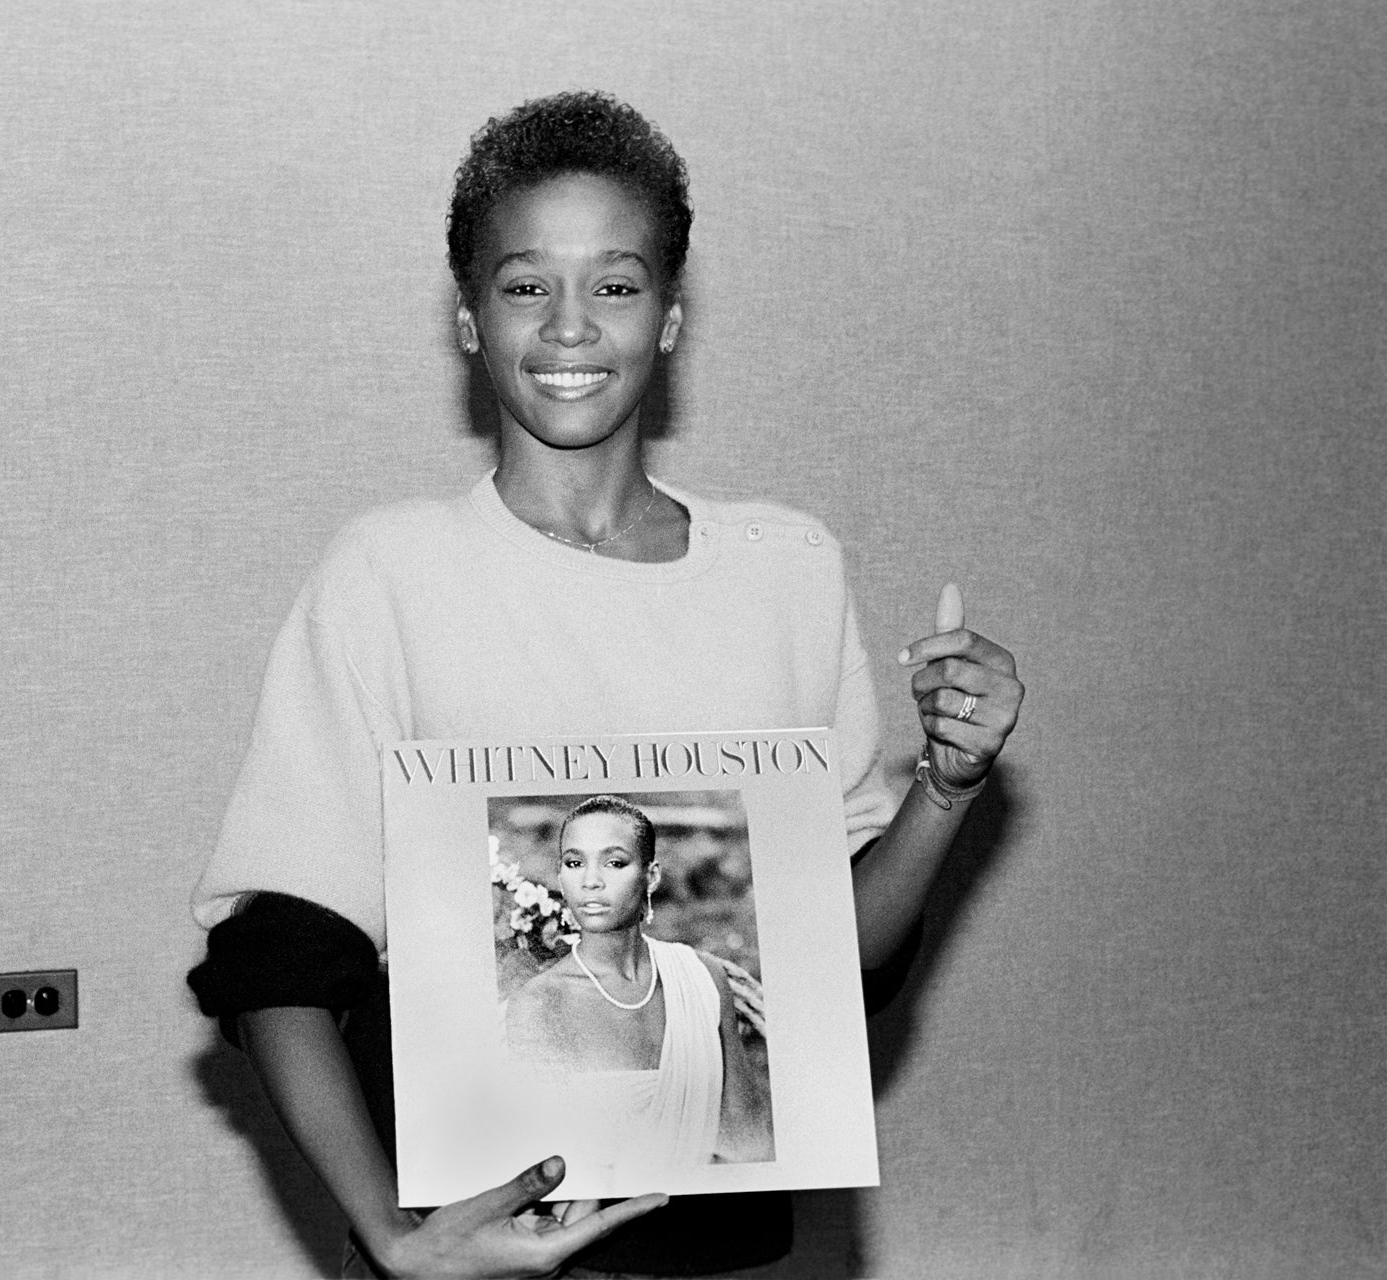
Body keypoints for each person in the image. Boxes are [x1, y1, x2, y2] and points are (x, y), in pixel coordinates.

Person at [189, 90, 1024, 1278]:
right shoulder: (389, 573)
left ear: (671, 318)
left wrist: (945, 789)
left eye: (616, 285)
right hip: (480, 1248)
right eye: (526, 284)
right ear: (471, 319)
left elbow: (836, 964)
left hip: (736, 1248)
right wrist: (389, 1234)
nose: (570, 326)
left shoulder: (787, 565)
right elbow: (278, 950)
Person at [501, 796, 773, 1176]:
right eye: (574, 863)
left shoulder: (702, 976)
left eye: (614, 862)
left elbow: (750, 1140)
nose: (591, 881)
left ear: (651, 876)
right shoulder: (542, 1002)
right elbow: (542, 1161)